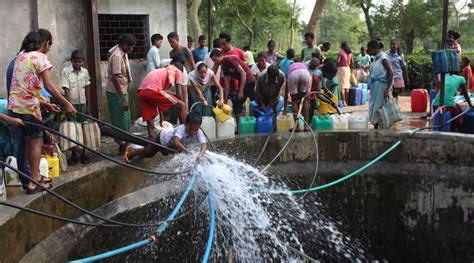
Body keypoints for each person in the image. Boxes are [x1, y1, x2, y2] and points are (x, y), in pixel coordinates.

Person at [9, 30, 76, 194]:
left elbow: (25, 87)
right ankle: (33, 182)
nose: (49, 49)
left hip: (16, 106)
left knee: (28, 142)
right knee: (36, 143)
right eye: (49, 45)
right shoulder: (41, 58)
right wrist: (67, 104)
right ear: (45, 43)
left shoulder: (21, 56)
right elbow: (49, 86)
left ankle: (35, 176)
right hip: (29, 108)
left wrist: (45, 103)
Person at [123, 112, 208, 163]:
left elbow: (204, 144)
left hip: (169, 145)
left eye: (195, 129)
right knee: (149, 153)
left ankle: (140, 152)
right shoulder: (182, 129)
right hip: (161, 138)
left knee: (167, 152)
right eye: (190, 129)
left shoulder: (198, 131)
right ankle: (132, 152)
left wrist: (200, 155)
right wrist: (187, 152)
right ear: (186, 124)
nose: (193, 132)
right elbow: (176, 142)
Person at [138, 62, 187, 139]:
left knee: (150, 119)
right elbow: (179, 94)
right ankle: (185, 133)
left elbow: (159, 103)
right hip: (152, 91)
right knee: (182, 105)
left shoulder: (162, 71)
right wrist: (182, 108)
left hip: (142, 93)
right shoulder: (177, 71)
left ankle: (152, 141)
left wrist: (161, 120)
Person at [210, 49, 255, 126]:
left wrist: (241, 92)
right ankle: (240, 125)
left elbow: (243, 74)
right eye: (213, 61)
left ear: (221, 56)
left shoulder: (229, 59)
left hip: (249, 81)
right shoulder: (224, 66)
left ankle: (242, 126)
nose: (215, 62)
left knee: (240, 103)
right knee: (238, 106)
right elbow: (227, 86)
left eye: (215, 60)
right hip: (243, 82)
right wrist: (225, 101)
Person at [61, 50, 91, 165]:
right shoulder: (66, 72)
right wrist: (68, 105)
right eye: (75, 62)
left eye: (80, 62)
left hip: (82, 103)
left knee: (83, 128)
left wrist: (88, 104)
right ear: (72, 61)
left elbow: (87, 87)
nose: (78, 64)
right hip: (72, 104)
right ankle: (73, 154)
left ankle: (83, 153)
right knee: (73, 130)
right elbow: (66, 89)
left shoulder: (85, 72)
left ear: (83, 62)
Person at [106, 34, 135, 151]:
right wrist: (123, 98)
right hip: (116, 93)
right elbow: (115, 78)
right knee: (121, 121)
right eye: (131, 47)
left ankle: (124, 144)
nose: (131, 49)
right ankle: (122, 146)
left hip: (121, 91)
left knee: (125, 119)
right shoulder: (117, 56)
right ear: (125, 45)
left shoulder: (122, 53)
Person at [366, 40, 394, 129]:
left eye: (370, 50)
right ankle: (376, 126)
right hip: (375, 86)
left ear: (376, 49)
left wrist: (388, 89)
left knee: (380, 107)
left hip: (382, 86)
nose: (369, 53)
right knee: (374, 106)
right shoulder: (376, 58)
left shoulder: (383, 58)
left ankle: (381, 126)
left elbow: (391, 72)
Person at [284, 62, 312, 132]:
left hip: (293, 75)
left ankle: (297, 126)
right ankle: (306, 126)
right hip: (305, 74)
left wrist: (285, 108)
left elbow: (286, 93)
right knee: (304, 100)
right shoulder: (304, 65)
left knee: (294, 100)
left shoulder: (289, 69)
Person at [336, 41, 353, 106]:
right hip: (347, 69)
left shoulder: (340, 52)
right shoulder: (350, 53)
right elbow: (352, 62)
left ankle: (343, 101)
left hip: (341, 69)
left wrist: (336, 66)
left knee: (341, 86)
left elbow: (338, 61)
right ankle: (347, 100)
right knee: (347, 85)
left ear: (341, 46)